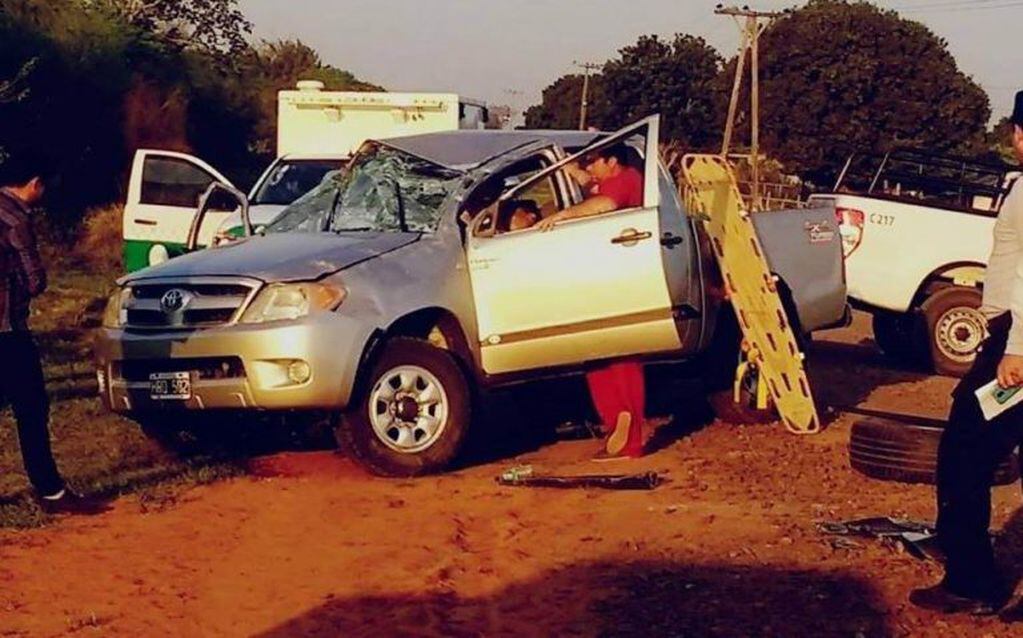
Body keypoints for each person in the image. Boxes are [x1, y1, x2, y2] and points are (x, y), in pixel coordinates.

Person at [909, 91, 1023, 617]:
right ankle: (959, 550)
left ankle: (971, 579)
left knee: (964, 452)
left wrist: (1016, 348)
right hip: (1009, 333)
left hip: (1016, 344)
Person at [0, 149, 107, 516]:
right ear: (34, 184)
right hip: (7, 331)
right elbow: (35, 281)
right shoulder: (16, 220)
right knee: (31, 409)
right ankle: (49, 490)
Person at [538, 144, 647, 460]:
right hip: (603, 277)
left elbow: (604, 204)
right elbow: (587, 182)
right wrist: (561, 164)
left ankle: (630, 435)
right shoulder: (610, 178)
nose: (590, 168)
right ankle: (616, 425)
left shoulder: (626, 180)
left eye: (594, 162)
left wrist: (563, 215)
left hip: (622, 276)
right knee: (595, 354)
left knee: (622, 355)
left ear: (612, 162)